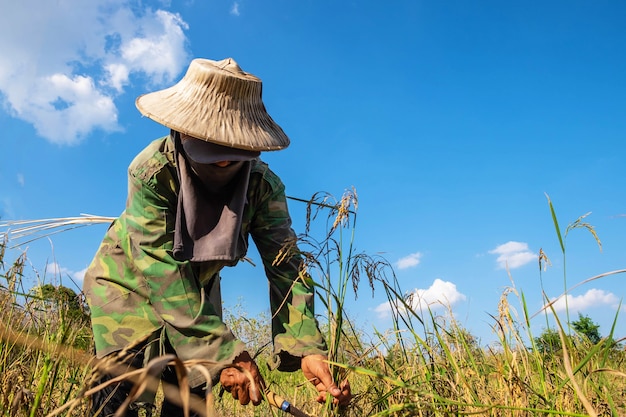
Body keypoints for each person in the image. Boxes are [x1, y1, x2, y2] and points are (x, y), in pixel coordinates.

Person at [83, 58, 351, 416]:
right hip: (128, 285)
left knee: (195, 395)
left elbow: (286, 267)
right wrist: (223, 351)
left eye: (233, 151)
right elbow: (160, 268)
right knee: (118, 397)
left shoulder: (261, 187)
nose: (223, 162)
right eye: (211, 148)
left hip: (197, 289)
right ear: (182, 129)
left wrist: (308, 348)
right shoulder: (153, 173)